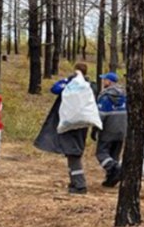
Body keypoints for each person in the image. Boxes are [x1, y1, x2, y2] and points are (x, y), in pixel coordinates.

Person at [34, 62, 93, 194]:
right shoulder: (89, 86)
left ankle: (80, 185)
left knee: (73, 153)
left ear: (75, 71)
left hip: (70, 123)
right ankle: (74, 182)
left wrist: (67, 80)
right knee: (72, 152)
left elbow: (55, 89)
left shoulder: (71, 83)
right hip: (83, 124)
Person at [93, 72, 126, 188]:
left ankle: (116, 169)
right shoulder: (124, 96)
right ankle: (111, 179)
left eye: (104, 80)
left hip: (108, 130)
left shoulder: (105, 97)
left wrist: (95, 129)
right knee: (114, 155)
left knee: (101, 153)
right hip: (122, 130)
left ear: (109, 82)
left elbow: (100, 115)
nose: (103, 82)